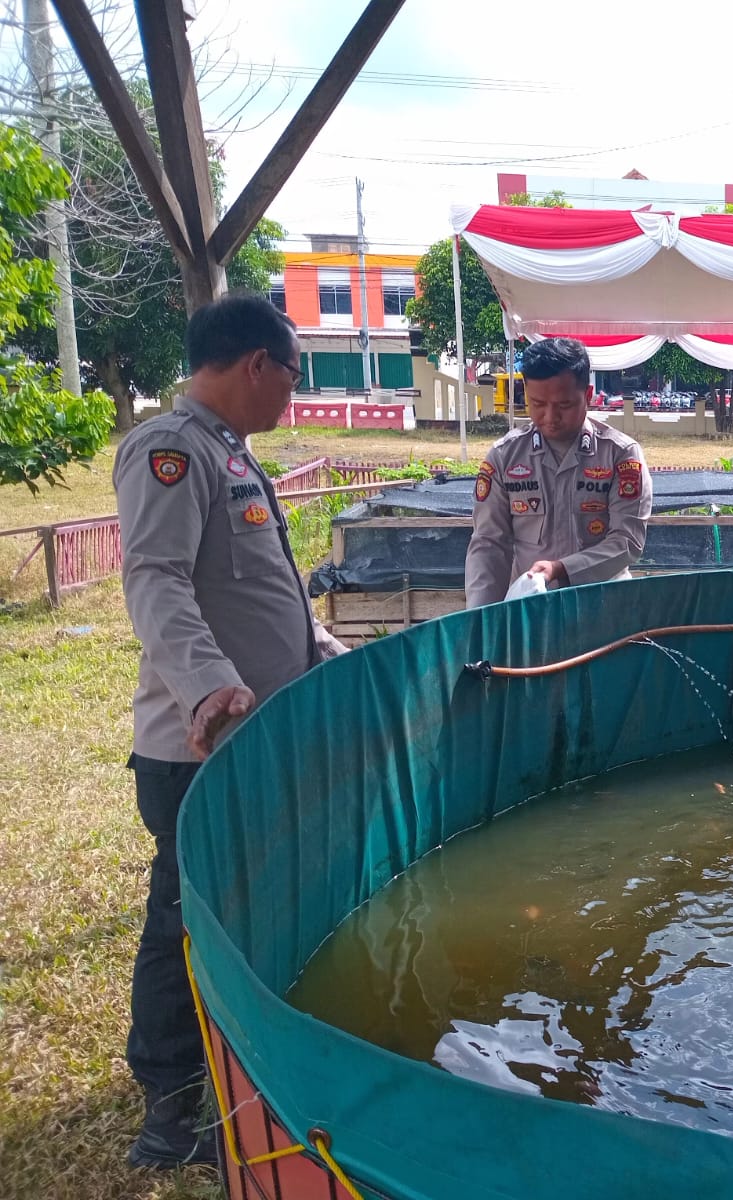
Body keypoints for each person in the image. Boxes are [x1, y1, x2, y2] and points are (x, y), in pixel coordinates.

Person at [114, 294, 347, 1169]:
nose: (292, 394)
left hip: (255, 738)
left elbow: (260, 592)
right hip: (197, 746)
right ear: (258, 364)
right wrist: (213, 692)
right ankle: (171, 1111)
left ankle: (228, 1075)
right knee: (184, 923)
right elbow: (158, 582)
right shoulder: (171, 451)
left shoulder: (229, 455)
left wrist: (325, 647)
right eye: (293, 375)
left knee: (237, 916)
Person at [466, 337, 652, 606]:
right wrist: (480, 619)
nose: (550, 416)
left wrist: (563, 569)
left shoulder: (620, 455)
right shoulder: (505, 457)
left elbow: (627, 542)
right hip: (532, 610)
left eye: (564, 405)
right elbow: (489, 545)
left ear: (587, 396)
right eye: (537, 404)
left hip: (604, 604)